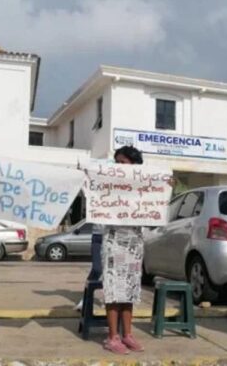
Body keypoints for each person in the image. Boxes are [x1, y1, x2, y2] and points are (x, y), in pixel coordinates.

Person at [102, 145, 145, 355]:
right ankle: (112, 337)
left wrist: (166, 188)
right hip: (113, 240)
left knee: (129, 289)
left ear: (134, 165)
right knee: (113, 289)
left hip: (134, 241)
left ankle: (128, 334)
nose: (119, 167)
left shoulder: (143, 186)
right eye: (117, 163)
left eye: (123, 163)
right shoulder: (108, 184)